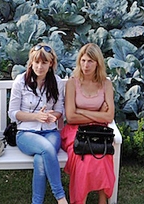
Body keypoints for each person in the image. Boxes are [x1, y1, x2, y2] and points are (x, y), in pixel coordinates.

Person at [9, 44, 68, 204]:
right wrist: (36, 117)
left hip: (50, 132)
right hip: (26, 133)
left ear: (51, 64)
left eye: (44, 63)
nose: (39, 66)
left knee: (40, 159)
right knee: (47, 149)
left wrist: (51, 116)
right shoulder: (21, 81)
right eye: (36, 62)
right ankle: (61, 197)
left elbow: (59, 110)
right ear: (31, 62)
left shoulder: (57, 82)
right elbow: (12, 113)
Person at [60, 44, 116, 204]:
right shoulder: (72, 83)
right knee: (83, 157)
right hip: (75, 130)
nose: (86, 65)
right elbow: (71, 117)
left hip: (98, 130)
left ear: (98, 63)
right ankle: (80, 200)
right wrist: (98, 116)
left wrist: (82, 111)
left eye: (90, 61)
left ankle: (102, 201)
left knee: (103, 155)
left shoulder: (106, 84)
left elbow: (109, 116)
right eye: (83, 60)